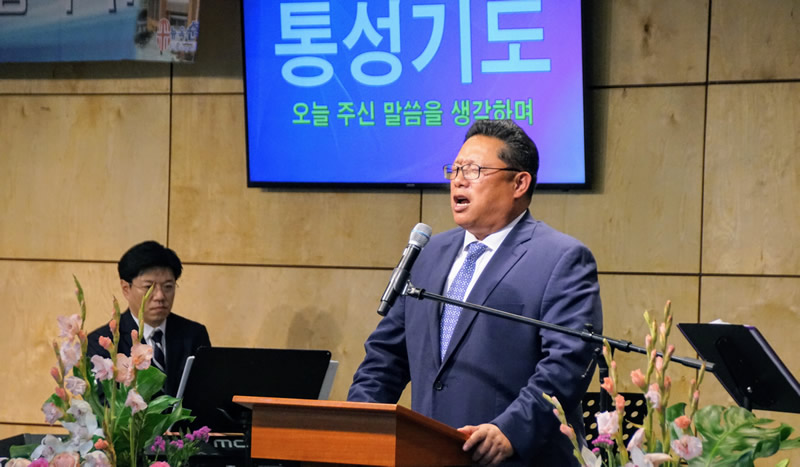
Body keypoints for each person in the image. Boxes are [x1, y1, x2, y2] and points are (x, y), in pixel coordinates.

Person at [348, 120, 603, 466]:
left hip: (514, 459)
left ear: (519, 183)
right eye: (455, 170)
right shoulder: (429, 255)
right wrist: (361, 424)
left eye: (474, 170)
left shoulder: (561, 258)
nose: (458, 180)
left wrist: (511, 431)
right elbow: (385, 357)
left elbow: (567, 363)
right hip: (430, 454)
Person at [87, 240, 211, 397]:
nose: (160, 296)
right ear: (126, 289)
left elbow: (206, 393)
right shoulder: (103, 343)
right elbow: (103, 402)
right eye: (149, 287)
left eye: (168, 286)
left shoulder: (194, 335)